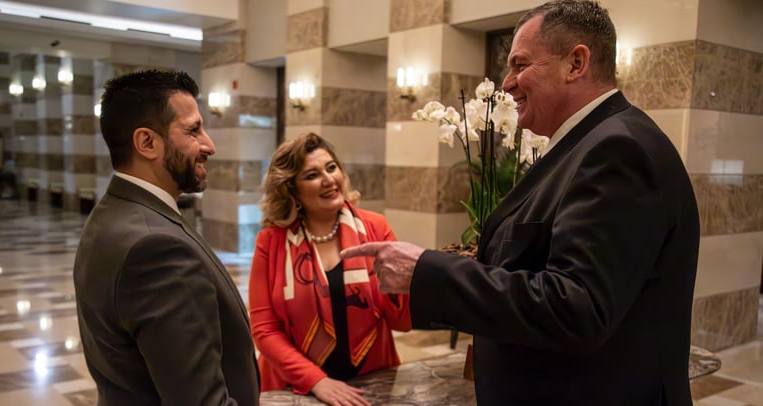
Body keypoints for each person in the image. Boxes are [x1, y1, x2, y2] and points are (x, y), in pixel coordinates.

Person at [342, 1, 700, 405]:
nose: (507, 83)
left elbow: (576, 308)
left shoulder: (617, 150)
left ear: (576, 63)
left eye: (520, 65)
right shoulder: (587, 143)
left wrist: (428, 272)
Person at [73, 69, 260, 405]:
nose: (210, 145)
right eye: (193, 130)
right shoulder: (155, 248)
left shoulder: (112, 213)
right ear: (147, 143)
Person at [248, 132, 411, 406]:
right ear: (292, 191)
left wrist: (412, 279)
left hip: (370, 383)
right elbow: (265, 329)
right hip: (294, 387)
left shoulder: (376, 228)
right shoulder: (271, 242)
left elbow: (402, 321)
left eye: (331, 168)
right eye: (312, 175)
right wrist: (316, 380)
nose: (328, 180)